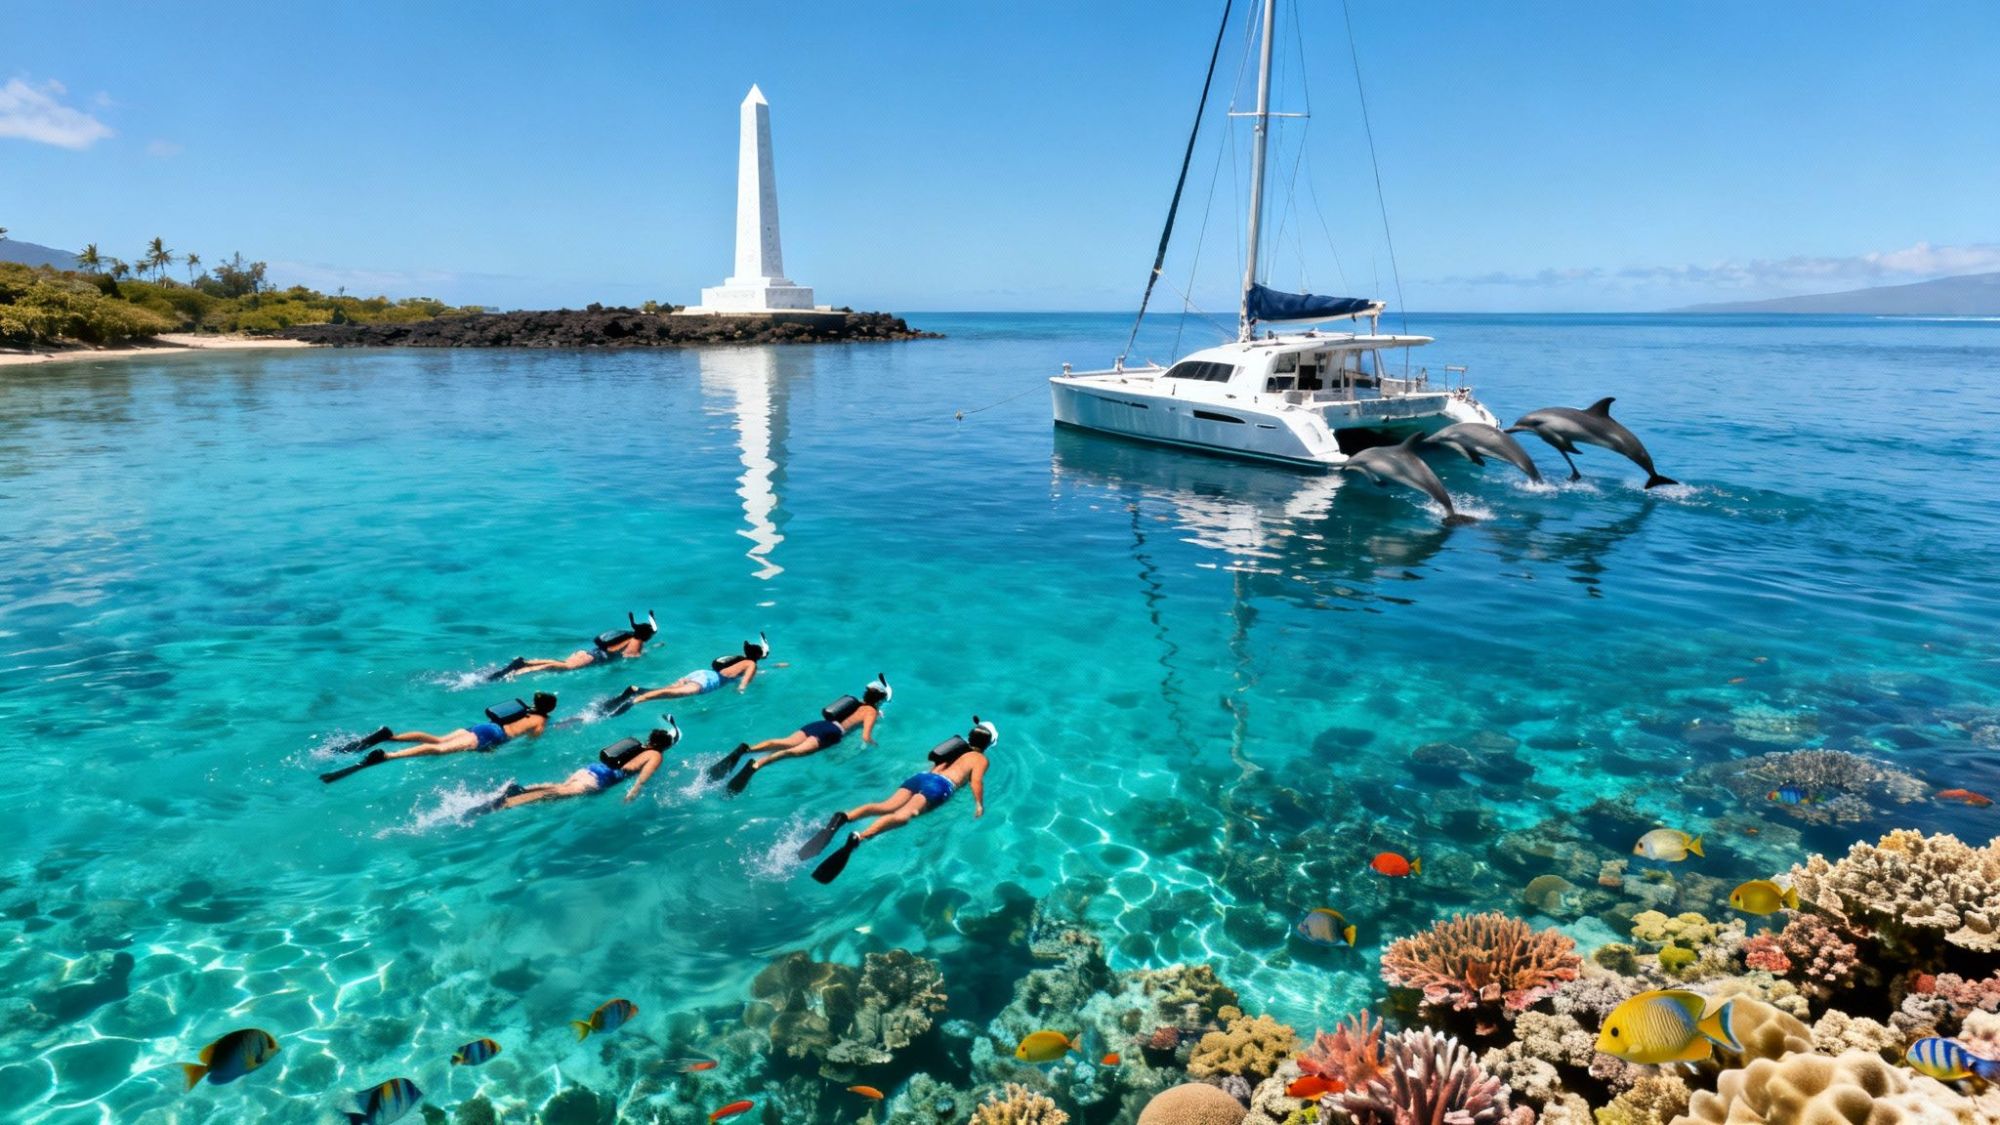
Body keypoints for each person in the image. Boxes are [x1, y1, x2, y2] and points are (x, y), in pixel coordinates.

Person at [801, 716, 996, 884]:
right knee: (905, 815)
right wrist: (979, 803)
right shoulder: (980, 759)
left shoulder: (956, 749)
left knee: (886, 806)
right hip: (940, 786)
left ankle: (844, 817)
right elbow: (976, 781)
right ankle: (861, 837)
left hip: (920, 777)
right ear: (988, 744)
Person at [708, 675, 890, 795]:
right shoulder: (871, 712)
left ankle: (747, 749)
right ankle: (757, 764)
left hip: (819, 725)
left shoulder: (855, 702)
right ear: (880, 699)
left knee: (784, 742)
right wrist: (872, 745)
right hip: (833, 733)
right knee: (793, 752)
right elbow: (866, 735)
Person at [318, 693, 557, 783]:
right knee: (441, 751)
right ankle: (388, 756)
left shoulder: (525, 709)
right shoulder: (540, 720)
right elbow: (532, 739)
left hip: (483, 726)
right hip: (494, 736)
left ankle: (391, 736)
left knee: (439, 740)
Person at [481, 719, 679, 812]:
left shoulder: (638, 746)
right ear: (664, 746)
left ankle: (520, 790)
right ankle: (505, 803)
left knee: (559, 788)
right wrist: (633, 793)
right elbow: (644, 776)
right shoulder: (655, 755)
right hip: (602, 778)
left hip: (591, 769)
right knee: (555, 794)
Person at [599, 634, 768, 716]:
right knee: (672, 694)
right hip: (709, 681)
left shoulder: (740, 660)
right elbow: (743, 685)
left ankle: (637, 690)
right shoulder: (751, 664)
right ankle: (636, 700)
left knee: (667, 690)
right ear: (759, 657)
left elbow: (735, 673)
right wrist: (741, 695)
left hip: (702, 673)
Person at [488, 611, 658, 680]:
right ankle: (518, 671)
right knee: (566, 667)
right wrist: (646, 656)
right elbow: (630, 656)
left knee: (562, 663)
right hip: (594, 658)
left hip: (590, 652)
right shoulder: (637, 641)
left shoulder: (628, 635)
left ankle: (525, 662)